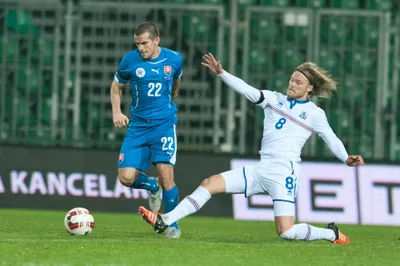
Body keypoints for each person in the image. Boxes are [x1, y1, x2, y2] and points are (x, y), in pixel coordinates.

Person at [138, 52, 365, 244]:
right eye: (291, 79)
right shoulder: (274, 100)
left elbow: (331, 138)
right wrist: (222, 73)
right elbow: (247, 89)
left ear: (310, 88)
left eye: (298, 82)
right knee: (209, 184)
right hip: (261, 169)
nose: (292, 84)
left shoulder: (315, 114)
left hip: (284, 172)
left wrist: (345, 158)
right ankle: (165, 220)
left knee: (286, 232)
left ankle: (330, 233)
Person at [110, 22, 183, 238]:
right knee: (125, 178)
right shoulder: (129, 60)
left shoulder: (174, 59)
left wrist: (169, 101)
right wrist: (117, 112)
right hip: (138, 127)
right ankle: (151, 186)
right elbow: (116, 88)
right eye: (137, 44)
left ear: (156, 41)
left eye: (144, 43)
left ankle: (172, 225)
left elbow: (176, 84)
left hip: (163, 126)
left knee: (167, 177)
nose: (140, 48)